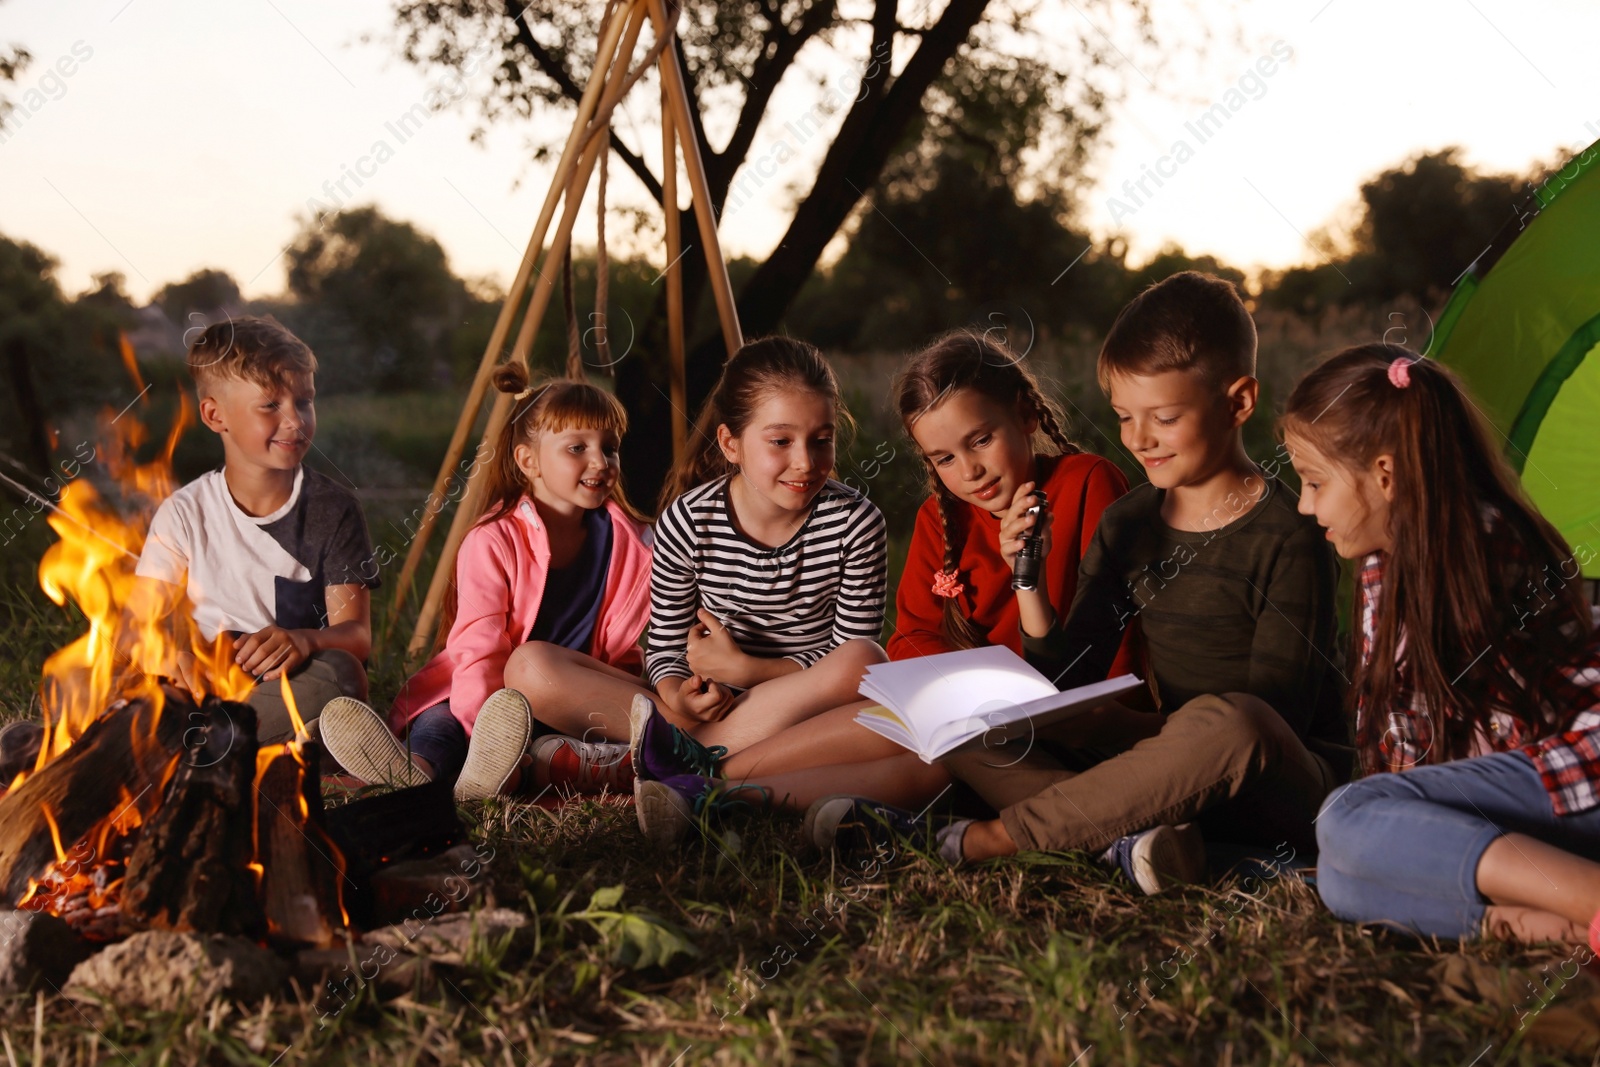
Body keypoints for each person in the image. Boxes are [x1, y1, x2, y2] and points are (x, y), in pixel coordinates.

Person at [807, 272, 1350, 893]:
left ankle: (975, 840)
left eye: (1163, 417)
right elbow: (1072, 678)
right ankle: (1137, 844)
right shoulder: (1130, 521)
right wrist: (1028, 583)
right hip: (1153, 769)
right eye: (1123, 417)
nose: (1137, 440)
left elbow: (1269, 724)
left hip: (1270, 781)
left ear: (1239, 402)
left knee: (1232, 722)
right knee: (962, 729)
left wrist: (1117, 731)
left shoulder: (1291, 534)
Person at [629, 329, 1136, 842]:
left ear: (1026, 416)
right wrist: (960, 680)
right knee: (929, 757)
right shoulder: (942, 518)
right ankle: (714, 798)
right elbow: (912, 638)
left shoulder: (1087, 482)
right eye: (943, 458)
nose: (970, 470)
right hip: (977, 727)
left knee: (911, 720)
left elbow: (1105, 648)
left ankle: (710, 774)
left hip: (1075, 718)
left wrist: (1025, 577)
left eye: (981, 440)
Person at [1291, 345, 1600, 950]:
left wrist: (1383, 818)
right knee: (1340, 876)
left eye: (1315, 483)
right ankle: (1553, 930)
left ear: (1385, 476)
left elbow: (1498, 741)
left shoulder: (1472, 550)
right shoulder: (1389, 558)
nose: (1305, 505)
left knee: (1347, 817)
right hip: (1543, 798)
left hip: (1580, 771)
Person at [319, 363, 652, 801]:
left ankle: (494, 772)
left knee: (568, 747)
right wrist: (489, 735)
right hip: (481, 696)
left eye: (610, 448)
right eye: (577, 448)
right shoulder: (492, 539)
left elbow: (627, 647)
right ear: (527, 460)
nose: (600, 462)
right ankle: (416, 770)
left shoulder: (634, 543)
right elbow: (479, 651)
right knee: (442, 726)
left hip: (565, 697)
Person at [130, 316, 375, 743]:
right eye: (270, 406)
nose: (295, 421)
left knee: (341, 674)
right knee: (135, 691)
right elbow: (135, 630)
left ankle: (199, 751)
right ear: (214, 415)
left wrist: (304, 641)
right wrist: (172, 658)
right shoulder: (184, 513)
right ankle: (207, 745)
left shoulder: (333, 510)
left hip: (288, 689)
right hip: (204, 691)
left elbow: (356, 636)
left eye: (304, 401)